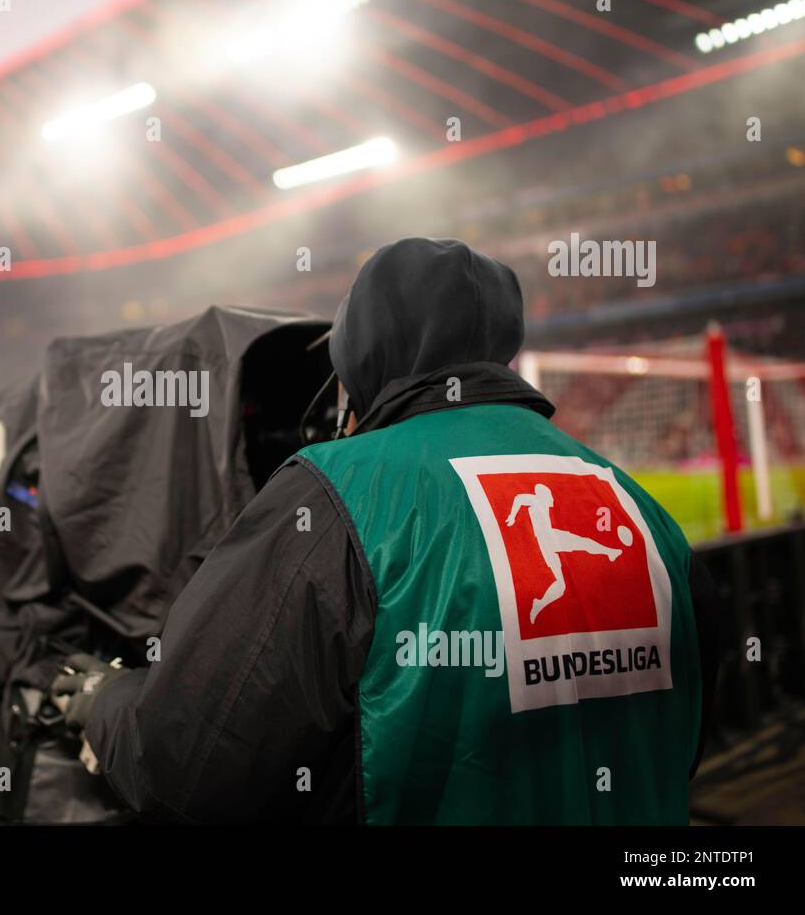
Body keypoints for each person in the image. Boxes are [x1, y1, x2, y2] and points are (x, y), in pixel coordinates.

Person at [52, 237, 718, 824]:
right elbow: (680, 739)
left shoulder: (336, 494)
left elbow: (185, 769)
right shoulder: (637, 505)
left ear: (362, 353)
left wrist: (102, 702)